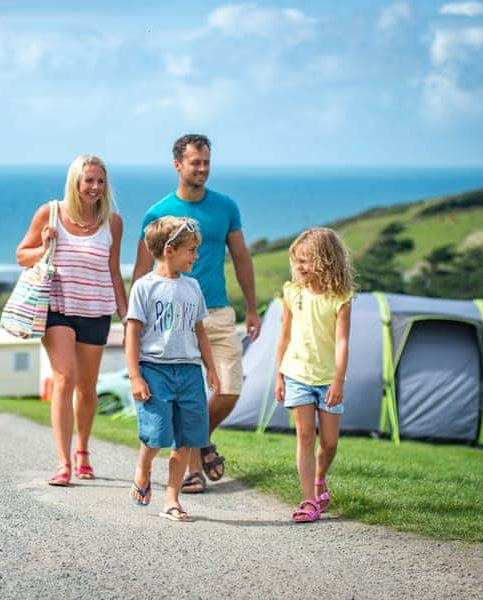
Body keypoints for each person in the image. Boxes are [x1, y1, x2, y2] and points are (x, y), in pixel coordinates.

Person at [131, 133, 260, 494]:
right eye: (195, 163)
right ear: (178, 165)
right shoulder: (157, 213)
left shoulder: (226, 207)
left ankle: (200, 442)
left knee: (230, 389)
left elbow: (242, 259)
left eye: (206, 162)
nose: (202, 169)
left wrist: (251, 308)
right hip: (171, 321)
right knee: (179, 399)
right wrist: (136, 324)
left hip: (217, 313)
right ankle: (191, 465)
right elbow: (142, 272)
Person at [16, 154, 128, 486]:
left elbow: (113, 270)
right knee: (64, 378)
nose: (95, 187)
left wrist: (127, 314)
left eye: (100, 181)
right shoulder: (49, 213)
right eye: (88, 180)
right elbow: (22, 254)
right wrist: (45, 246)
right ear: (75, 182)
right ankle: (63, 463)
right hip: (57, 309)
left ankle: (82, 451)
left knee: (88, 389)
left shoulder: (113, 222)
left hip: (96, 310)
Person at [126, 216, 221, 521]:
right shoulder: (144, 287)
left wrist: (211, 369)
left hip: (190, 372)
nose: (196, 256)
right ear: (169, 250)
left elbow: (200, 332)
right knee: (157, 434)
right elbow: (133, 333)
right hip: (155, 370)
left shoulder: (193, 287)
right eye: (191, 250)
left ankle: (171, 498)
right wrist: (136, 376)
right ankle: (143, 467)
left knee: (188, 438)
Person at [273, 227, 355, 523]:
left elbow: (343, 342)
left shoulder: (341, 298)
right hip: (296, 374)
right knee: (305, 436)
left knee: (330, 442)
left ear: (326, 260)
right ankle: (308, 500)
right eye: (296, 262)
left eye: (305, 262)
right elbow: (283, 336)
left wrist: (338, 380)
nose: (299, 268)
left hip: (327, 380)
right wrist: (279, 375)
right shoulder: (292, 293)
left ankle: (320, 478)